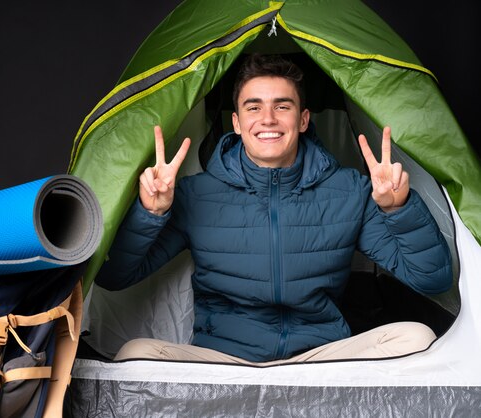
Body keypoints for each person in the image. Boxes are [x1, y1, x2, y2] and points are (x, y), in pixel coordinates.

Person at [94, 54, 452, 365]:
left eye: (282, 106)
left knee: (415, 337)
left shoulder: (349, 192)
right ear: (236, 123)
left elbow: (432, 279)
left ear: (303, 119)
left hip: (321, 358)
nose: (267, 118)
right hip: (225, 362)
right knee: (136, 353)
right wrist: (150, 212)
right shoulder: (196, 194)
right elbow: (114, 277)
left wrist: (398, 209)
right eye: (254, 107)